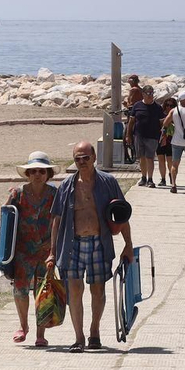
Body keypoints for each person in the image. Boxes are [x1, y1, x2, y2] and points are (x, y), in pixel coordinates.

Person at [47, 140, 133, 352]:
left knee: (98, 289)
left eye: (86, 157)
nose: (82, 162)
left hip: (99, 242)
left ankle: (94, 331)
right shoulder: (67, 186)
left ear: (94, 158)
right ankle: (79, 337)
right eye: (78, 159)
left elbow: (121, 215)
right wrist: (52, 252)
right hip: (72, 244)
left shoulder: (108, 182)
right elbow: (57, 219)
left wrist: (128, 245)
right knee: (74, 289)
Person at [5, 151, 59, 346]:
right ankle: (23, 326)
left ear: (48, 174)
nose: (37, 174)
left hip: (45, 251)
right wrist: (5, 254)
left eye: (42, 171)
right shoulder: (17, 194)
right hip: (23, 251)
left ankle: (40, 333)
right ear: (28, 174)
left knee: (43, 292)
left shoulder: (54, 194)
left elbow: (59, 220)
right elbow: (6, 219)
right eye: (33, 171)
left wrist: (55, 249)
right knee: (20, 290)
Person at [127, 86, 165, 187]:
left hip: (153, 136)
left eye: (151, 93)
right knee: (141, 158)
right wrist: (128, 136)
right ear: (143, 94)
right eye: (148, 93)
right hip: (139, 136)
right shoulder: (137, 105)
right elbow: (131, 122)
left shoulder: (158, 108)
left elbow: (162, 123)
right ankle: (143, 178)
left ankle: (150, 179)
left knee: (150, 158)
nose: (150, 95)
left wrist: (163, 136)